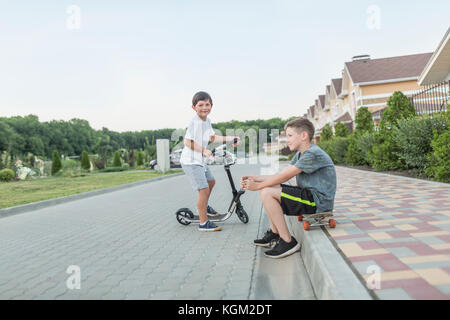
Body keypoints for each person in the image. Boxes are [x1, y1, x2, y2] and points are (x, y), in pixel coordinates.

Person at [241, 118, 336, 258]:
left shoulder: (312, 153)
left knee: (266, 191)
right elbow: (282, 174)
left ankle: (288, 241)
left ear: (303, 136)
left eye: (290, 136)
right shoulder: (300, 154)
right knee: (268, 187)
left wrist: (257, 186)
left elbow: (285, 178)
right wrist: (256, 178)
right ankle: (275, 233)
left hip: (317, 202)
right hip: (308, 196)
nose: (287, 140)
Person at [180, 91, 240, 232]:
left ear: (211, 106)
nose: (204, 107)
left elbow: (212, 138)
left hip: (200, 161)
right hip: (191, 161)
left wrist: (230, 138)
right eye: (200, 105)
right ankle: (203, 223)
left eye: (207, 104)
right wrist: (203, 150)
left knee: (211, 182)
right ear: (194, 107)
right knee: (204, 189)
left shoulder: (206, 121)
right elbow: (187, 141)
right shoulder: (195, 122)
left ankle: (203, 206)